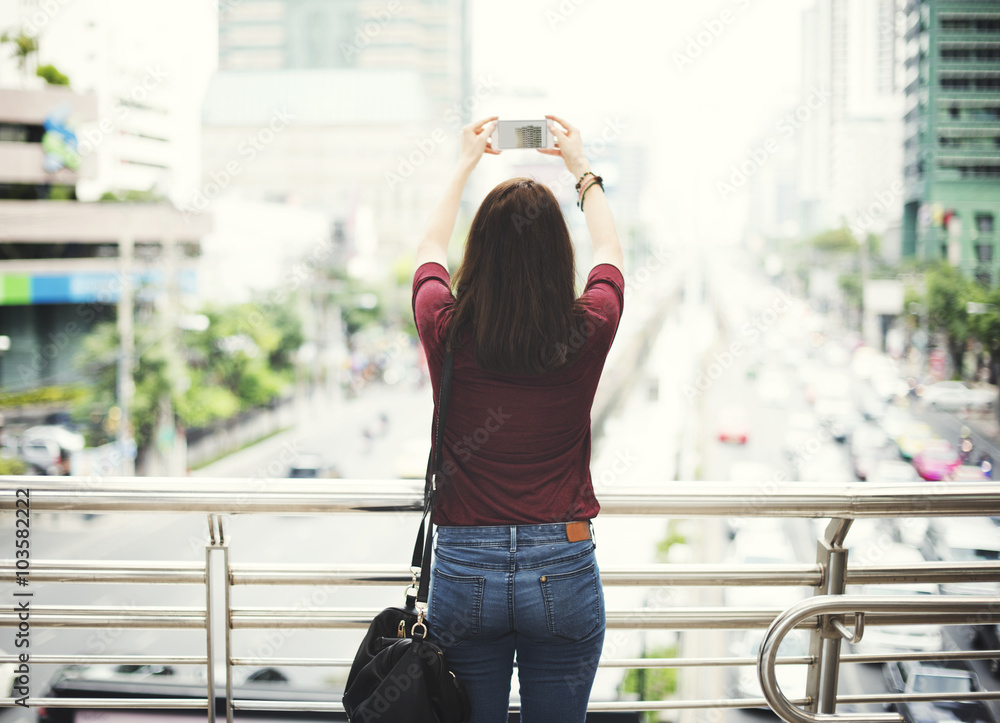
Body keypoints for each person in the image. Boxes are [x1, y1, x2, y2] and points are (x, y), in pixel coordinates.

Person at [411, 114, 624, 723]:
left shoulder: (444, 327)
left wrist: (463, 164)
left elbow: (429, 250)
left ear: (478, 255)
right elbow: (609, 252)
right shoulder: (589, 328)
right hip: (563, 562)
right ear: (560, 258)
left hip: (462, 567)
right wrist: (581, 169)